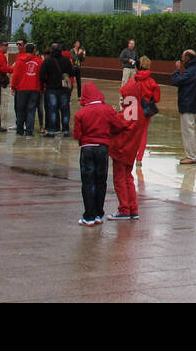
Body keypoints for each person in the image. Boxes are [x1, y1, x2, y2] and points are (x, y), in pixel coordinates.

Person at [107, 73, 146, 220]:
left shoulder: (130, 110)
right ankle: (132, 208)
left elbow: (116, 124)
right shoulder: (138, 110)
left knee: (119, 179)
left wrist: (110, 112)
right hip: (130, 150)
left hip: (121, 149)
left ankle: (124, 209)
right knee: (128, 178)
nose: (123, 99)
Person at [72, 83, 111, 226]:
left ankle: (88, 216)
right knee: (101, 181)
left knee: (88, 182)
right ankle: (98, 215)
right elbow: (117, 125)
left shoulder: (81, 113)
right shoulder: (108, 110)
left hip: (87, 148)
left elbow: (77, 134)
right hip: (103, 148)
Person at [171, 49, 196, 164]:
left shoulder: (190, 72)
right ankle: (190, 155)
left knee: (188, 130)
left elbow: (176, 81)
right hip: (191, 102)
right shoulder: (195, 70)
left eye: (183, 57)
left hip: (187, 103)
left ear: (188, 58)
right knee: (188, 129)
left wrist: (177, 70)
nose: (182, 59)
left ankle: (191, 156)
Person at [132, 57, 160, 164]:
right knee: (144, 133)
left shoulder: (134, 79)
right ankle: (139, 158)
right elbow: (157, 98)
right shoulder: (151, 81)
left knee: (133, 132)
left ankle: (131, 154)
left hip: (134, 108)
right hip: (146, 109)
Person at [11, 43, 43, 136]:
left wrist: (13, 86)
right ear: (34, 51)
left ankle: (20, 130)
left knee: (20, 109)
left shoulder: (20, 60)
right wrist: (42, 87)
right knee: (31, 109)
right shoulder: (39, 61)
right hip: (35, 88)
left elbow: (16, 75)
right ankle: (29, 131)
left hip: (21, 88)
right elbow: (41, 76)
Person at [40, 44, 72, 137]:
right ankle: (65, 130)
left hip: (51, 88)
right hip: (64, 89)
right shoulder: (66, 60)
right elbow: (71, 72)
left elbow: (42, 75)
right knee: (65, 109)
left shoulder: (47, 61)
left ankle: (51, 130)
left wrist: (46, 82)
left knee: (52, 109)